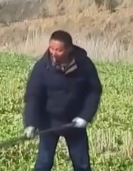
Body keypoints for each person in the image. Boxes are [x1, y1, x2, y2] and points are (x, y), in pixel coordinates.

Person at [22, 30, 103, 171]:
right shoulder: (42, 67)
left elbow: (93, 91)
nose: (53, 53)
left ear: (69, 49)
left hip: (74, 123)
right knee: (43, 163)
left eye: (58, 50)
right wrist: (31, 123)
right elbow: (33, 96)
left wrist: (85, 117)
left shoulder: (84, 65)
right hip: (48, 123)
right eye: (51, 48)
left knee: (82, 165)